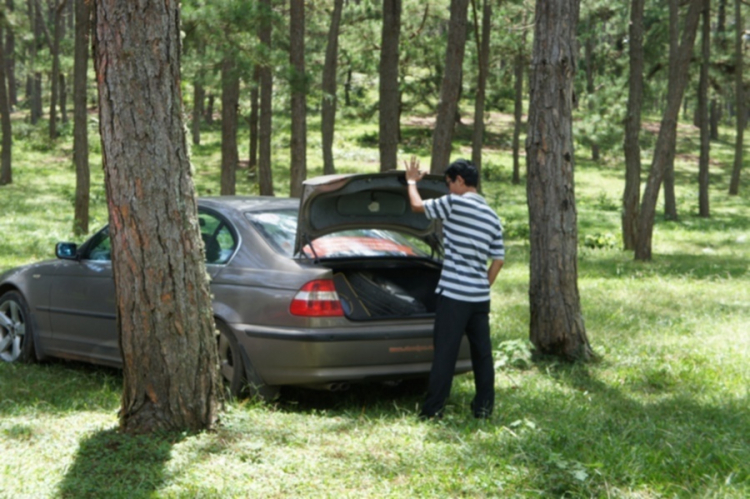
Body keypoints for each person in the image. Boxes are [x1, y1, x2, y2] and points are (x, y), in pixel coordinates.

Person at [404, 156, 504, 419]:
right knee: (482, 355)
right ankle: (483, 409)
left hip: (454, 296)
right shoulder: (492, 216)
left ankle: (433, 410)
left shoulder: (454, 203)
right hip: (480, 298)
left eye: (449, 183)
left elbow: (416, 206)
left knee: (445, 354)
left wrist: (412, 181)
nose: (448, 189)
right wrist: (482, 284)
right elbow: (499, 260)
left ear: (460, 181)